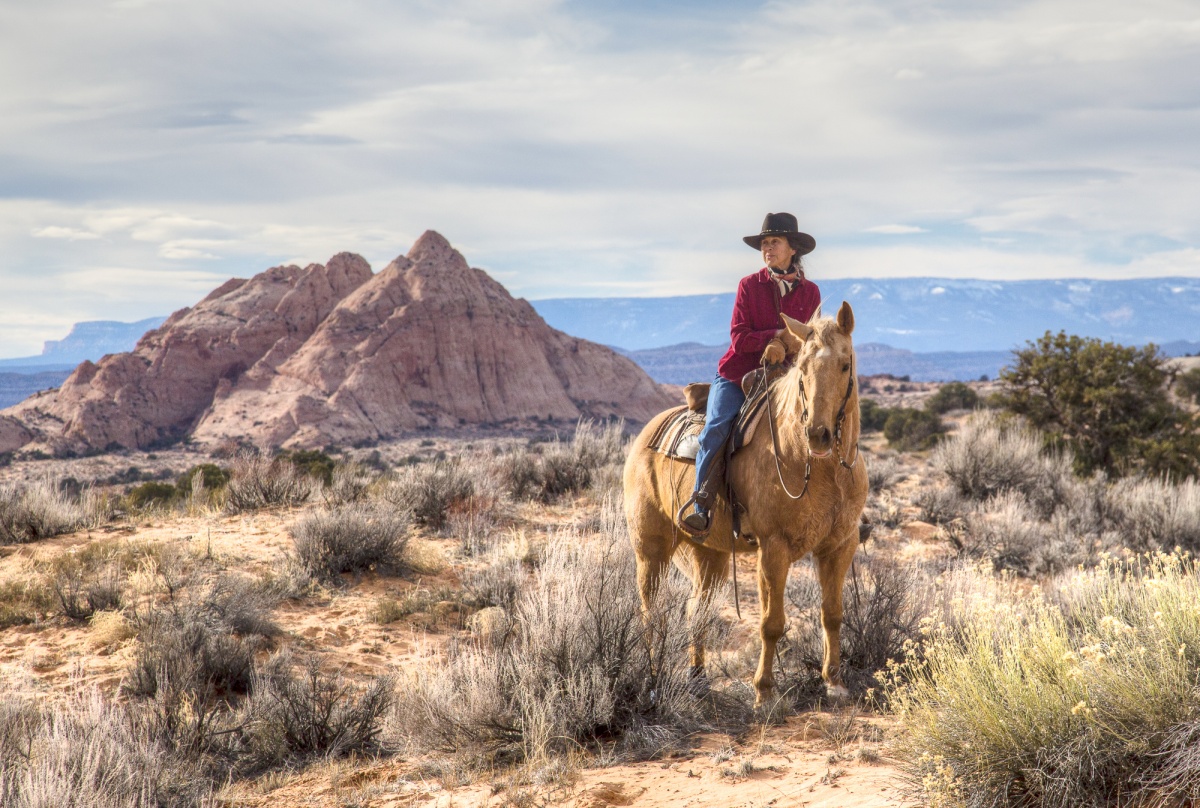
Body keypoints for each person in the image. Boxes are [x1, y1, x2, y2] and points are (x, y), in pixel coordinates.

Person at [681, 212, 822, 538]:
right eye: (764, 243)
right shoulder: (749, 286)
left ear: (792, 248)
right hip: (738, 373)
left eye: (774, 242)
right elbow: (739, 338)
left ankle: (829, 503)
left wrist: (791, 348)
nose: (767, 248)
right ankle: (701, 503)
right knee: (716, 428)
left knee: (820, 421)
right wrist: (774, 338)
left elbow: (811, 340)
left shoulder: (811, 293)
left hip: (785, 379)